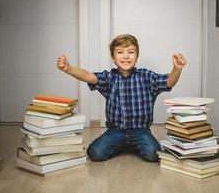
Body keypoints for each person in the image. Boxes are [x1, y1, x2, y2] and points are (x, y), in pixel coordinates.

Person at [57, 34, 186, 162]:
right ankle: (121, 144)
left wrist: (177, 69)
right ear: (113, 58)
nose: (125, 56)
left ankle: (132, 145)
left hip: (140, 131)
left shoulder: (146, 76)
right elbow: (88, 76)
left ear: (137, 57)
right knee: (95, 153)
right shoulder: (109, 78)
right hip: (116, 130)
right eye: (120, 52)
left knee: (154, 154)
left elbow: (169, 82)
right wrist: (69, 69)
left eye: (131, 52)